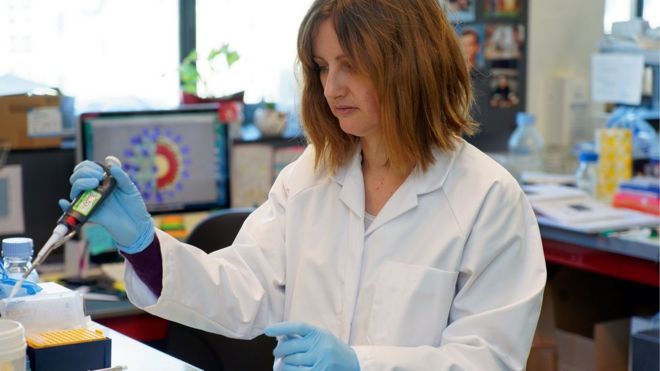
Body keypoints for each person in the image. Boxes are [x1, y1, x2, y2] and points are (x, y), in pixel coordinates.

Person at [64, 0, 546, 369]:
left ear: (410, 64)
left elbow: (488, 360)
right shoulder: (313, 173)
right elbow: (244, 290)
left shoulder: (488, 199)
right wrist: (143, 245)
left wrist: (362, 364)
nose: (331, 86)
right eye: (322, 66)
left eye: (351, 64)